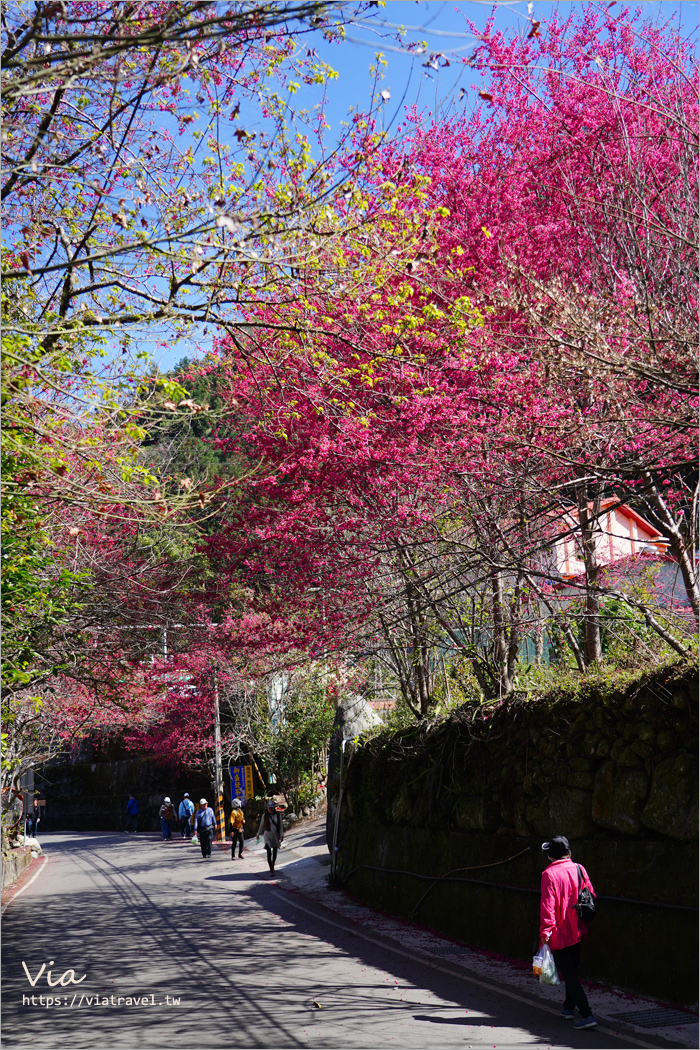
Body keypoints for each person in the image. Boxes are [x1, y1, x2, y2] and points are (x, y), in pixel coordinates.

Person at [540, 835, 598, 1030]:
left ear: (551, 855)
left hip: (559, 931)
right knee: (572, 967)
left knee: (570, 973)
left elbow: (547, 906)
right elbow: (591, 895)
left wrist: (545, 932)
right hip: (578, 929)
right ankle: (567, 1007)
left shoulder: (549, 875)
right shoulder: (579, 869)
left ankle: (586, 1013)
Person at [257, 800, 284, 875]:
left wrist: (281, 835)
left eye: (271, 808)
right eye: (269, 808)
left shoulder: (278, 815)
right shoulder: (264, 816)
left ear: (274, 808)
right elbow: (262, 825)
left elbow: (281, 826)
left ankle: (273, 863)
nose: (270, 810)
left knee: (275, 851)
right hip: (267, 835)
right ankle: (271, 868)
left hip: (275, 835)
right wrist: (258, 834)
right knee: (268, 851)